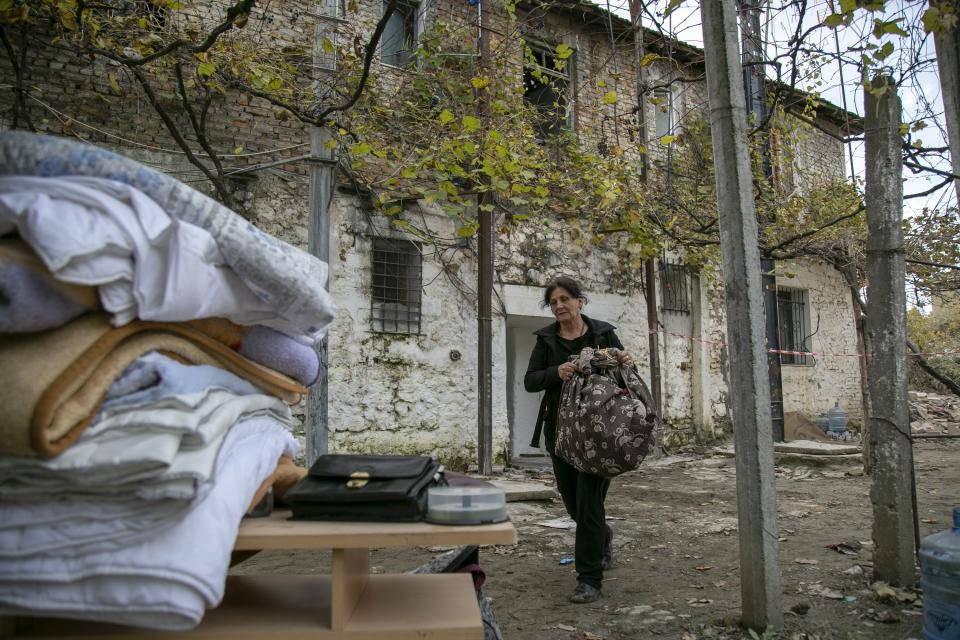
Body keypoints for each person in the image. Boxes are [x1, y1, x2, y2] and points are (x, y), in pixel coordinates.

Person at [524, 277, 634, 604]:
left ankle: (589, 579)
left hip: (599, 434)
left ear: (579, 301)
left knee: (588, 505)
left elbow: (623, 371)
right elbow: (530, 381)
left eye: (564, 299)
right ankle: (603, 537)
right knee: (575, 505)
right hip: (560, 434)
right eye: (553, 302)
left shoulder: (602, 333)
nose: (559, 306)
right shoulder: (546, 341)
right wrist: (556, 372)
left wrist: (627, 360)